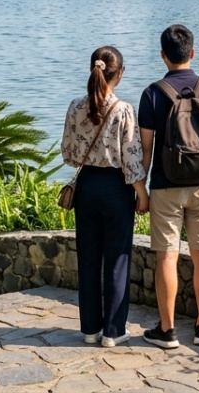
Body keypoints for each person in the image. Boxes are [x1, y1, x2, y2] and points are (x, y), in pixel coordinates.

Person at [138, 24, 199, 349]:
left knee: (167, 257)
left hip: (165, 186)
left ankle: (167, 330)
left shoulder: (152, 93)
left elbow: (145, 150)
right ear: (192, 53)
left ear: (163, 55)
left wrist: (143, 190)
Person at [60, 46, 148, 347]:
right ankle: (113, 331)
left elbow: (68, 154)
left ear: (93, 69)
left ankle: (89, 329)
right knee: (117, 259)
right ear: (119, 73)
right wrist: (142, 194)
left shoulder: (74, 106)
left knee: (88, 259)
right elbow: (132, 160)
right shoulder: (123, 110)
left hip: (86, 188)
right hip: (116, 189)